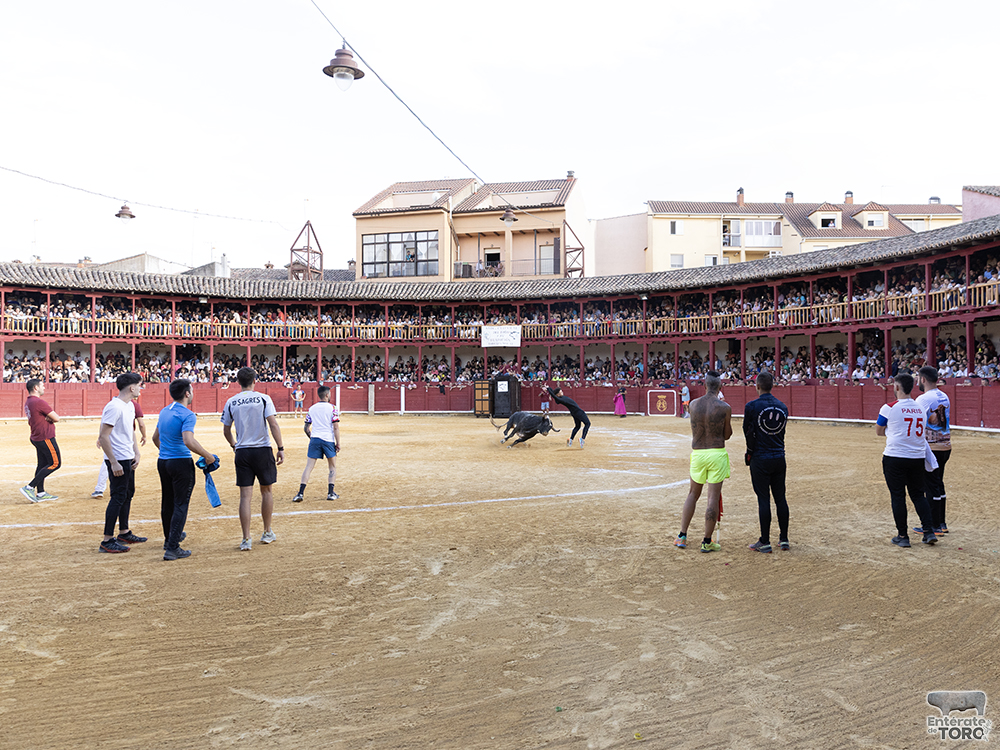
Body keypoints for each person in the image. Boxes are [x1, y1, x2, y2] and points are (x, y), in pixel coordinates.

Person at [152, 378, 216, 561]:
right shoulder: (187, 414)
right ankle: (173, 548)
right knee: (181, 503)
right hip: (180, 463)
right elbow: (188, 440)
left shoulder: (164, 411)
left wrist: (167, 452)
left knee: (168, 502)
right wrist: (207, 455)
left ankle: (169, 539)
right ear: (187, 393)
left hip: (163, 462)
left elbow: (155, 438)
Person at [222, 367, 284, 551]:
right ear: (254, 380)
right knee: (266, 492)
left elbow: (226, 429)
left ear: (238, 382)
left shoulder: (231, 401)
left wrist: (234, 445)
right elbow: (273, 424)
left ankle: (246, 539)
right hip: (262, 449)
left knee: (245, 497)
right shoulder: (263, 399)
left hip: (243, 451)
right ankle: (266, 532)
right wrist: (280, 448)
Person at [876, 372, 938, 548]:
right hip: (917, 457)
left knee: (898, 496)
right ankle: (928, 531)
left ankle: (903, 536)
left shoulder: (889, 407)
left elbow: (879, 431)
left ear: (896, 387)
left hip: (895, 456)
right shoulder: (920, 407)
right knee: (919, 494)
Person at [675, 371, 732, 553]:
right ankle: (707, 541)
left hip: (698, 453)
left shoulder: (693, 405)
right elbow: (727, 435)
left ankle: (682, 536)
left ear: (705, 386)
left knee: (692, 493)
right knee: (713, 497)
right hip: (716, 453)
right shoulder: (724, 407)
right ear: (720, 387)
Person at [98, 373, 146, 553]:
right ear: (132, 387)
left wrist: (136, 452)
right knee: (118, 496)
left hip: (128, 457)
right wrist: (113, 462)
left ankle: (124, 532)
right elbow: (103, 436)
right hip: (118, 459)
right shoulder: (114, 407)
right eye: (139, 385)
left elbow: (130, 432)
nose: (140, 388)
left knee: (127, 494)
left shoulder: (129, 406)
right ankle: (107, 540)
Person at [742, 371, 790, 553]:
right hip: (779, 456)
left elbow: (747, 431)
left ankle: (765, 541)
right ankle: (784, 539)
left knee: (764, 499)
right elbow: (781, 432)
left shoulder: (752, 406)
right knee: (780, 498)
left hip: (760, 457)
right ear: (772, 386)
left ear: (757, 386)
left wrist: (750, 453)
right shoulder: (782, 407)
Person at [914, 366, 951, 535]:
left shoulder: (923, 399)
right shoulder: (944, 396)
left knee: (930, 485)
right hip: (945, 446)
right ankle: (941, 523)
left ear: (923, 379)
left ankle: (933, 525)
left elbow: (916, 423)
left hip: (931, 448)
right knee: (938, 483)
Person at [293, 385, 340, 502]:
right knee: (332, 467)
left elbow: (306, 428)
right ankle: (330, 493)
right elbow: (336, 427)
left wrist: (312, 438)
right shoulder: (333, 408)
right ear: (327, 395)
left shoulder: (311, 408)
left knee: (308, 467)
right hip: (328, 439)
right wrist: (338, 443)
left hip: (315, 439)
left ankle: (300, 493)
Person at [92, 396, 146, 498]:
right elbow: (141, 424)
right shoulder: (133, 405)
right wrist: (144, 435)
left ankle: (99, 488)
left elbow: (104, 424)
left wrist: (101, 436)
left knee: (107, 464)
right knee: (124, 492)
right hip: (125, 442)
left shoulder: (114, 405)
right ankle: (102, 489)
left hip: (111, 439)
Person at [21, 378, 61, 502]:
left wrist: (48, 418)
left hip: (36, 436)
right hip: (45, 437)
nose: (44, 387)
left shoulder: (29, 402)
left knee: (42, 464)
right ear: (36, 388)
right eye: (42, 385)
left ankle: (41, 492)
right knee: (55, 463)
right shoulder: (39, 402)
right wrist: (50, 418)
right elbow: (56, 418)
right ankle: (30, 486)